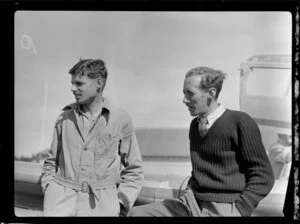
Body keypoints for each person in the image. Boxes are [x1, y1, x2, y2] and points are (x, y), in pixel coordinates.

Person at [128, 66, 274, 217]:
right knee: (133, 214)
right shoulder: (195, 125)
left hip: (225, 207)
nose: (184, 99)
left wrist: (240, 209)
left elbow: (263, 175)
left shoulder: (240, 122)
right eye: (184, 93)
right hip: (190, 202)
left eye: (190, 93)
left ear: (211, 93)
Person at [41, 59, 144, 216]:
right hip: (59, 204)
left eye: (79, 84)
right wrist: (50, 189)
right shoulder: (64, 118)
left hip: (100, 207)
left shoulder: (121, 119)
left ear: (98, 83)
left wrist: (121, 204)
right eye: (72, 83)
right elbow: (50, 162)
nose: (72, 89)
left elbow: (134, 169)